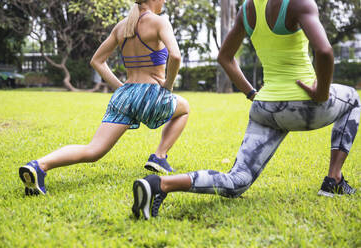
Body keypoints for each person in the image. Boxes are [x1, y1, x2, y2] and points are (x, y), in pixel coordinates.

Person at [132, 0, 360, 220]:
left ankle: (159, 184)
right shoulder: (299, 2)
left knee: (237, 180)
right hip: (303, 105)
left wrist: (251, 93)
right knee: (352, 99)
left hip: (265, 109)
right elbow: (324, 51)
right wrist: (321, 92)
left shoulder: (248, 8)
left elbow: (224, 56)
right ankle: (333, 180)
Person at [19, 0, 190, 195]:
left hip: (124, 97)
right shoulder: (160, 22)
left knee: (93, 150)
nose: (165, 1)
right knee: (183, 108)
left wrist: (120, 89)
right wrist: (167, 86)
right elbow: (175, 56)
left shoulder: (122, 26)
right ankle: (159, 156)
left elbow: (97, 61)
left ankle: (39, 166)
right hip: (150, 95)